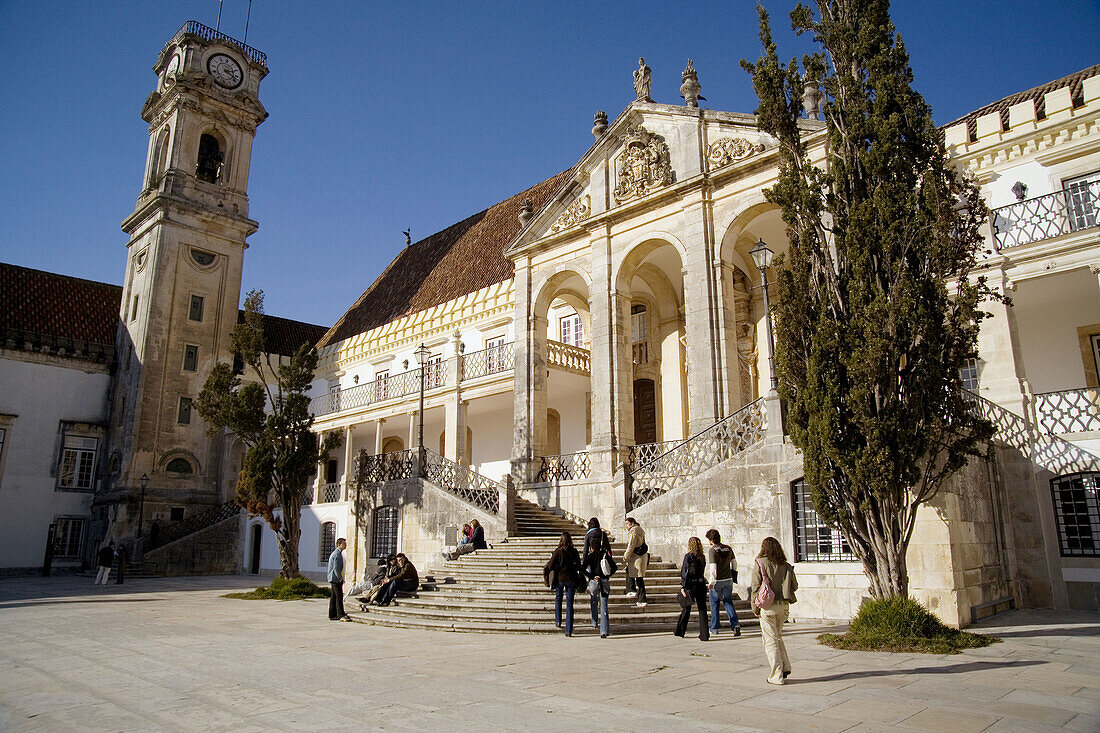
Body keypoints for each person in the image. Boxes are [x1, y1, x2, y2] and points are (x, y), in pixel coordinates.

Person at [751, 536, 798, 685]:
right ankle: (785, 667)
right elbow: (794, 586)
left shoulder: (760, 563)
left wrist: (755, 607)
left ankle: (776, 675)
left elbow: (755, 587)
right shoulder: (786, 565)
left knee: (770, 640)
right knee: (777, 637)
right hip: (783, 606)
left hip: (768, 606)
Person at [543, 531, 582, 636]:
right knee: (569, 604)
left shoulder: (557, 552)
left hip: (560, 579)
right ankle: (568, 630)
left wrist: (546, 578)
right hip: (571, 579)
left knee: (558, 598)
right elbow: (579, 566)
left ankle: (558, 620)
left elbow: (549, 566)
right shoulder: (574, 551)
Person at [705, 529, 741, 637]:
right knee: (728, 602)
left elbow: (713, 567)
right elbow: (734, 563)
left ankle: (714, 627)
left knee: (715, 604)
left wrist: (711, 581)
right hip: (728, 579)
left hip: (717, 580)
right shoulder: (728, 548)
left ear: (711, 539)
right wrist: (733, 573)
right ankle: (735, 625)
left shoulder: (712, 550)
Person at [674, 536, 710, 640]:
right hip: (701, 584)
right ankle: (704, 634)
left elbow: (684, 572)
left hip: (691, 584)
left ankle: (680, 631)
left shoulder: (688, 556)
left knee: (686, 608)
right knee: (702, 609)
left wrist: (683, 586)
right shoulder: (702, 557)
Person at [582, 529, 614, 638]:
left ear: (591, 547)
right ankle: (604, 630)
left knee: (593, 600)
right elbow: (615, 567)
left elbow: (582, 568)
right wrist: (607, 575)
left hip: (594, 582)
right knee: (604, 605)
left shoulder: (590, 556)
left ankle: (594, 621)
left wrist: (591, 576)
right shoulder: (605, 555)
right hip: (604, 581)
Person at [622, 517, 648, 607]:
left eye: (627, 523)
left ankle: (641, 597)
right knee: (632, 573)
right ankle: (632, 590)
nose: (626, 526)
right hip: (641, 556)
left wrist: (625, 557)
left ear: (632, 523)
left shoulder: (633, 532)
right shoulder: (640, 529)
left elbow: (631, 546)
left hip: (636, 557)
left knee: (639, 578)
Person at [328, 537, 351, 621]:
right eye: (344, 544)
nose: (346, 545)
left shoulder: (337, 553)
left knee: (334, 597)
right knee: (339, 597)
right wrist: (340, 578)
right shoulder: (337, 554)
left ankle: (332, 614)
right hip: (335, 579)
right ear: (339, 544)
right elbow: (336, 568)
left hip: (333, 578)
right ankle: (340, 614)